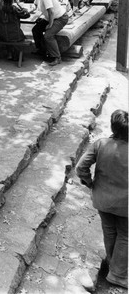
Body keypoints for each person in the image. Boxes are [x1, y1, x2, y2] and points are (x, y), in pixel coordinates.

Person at [76, 110, 128, 289]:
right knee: (125, 235)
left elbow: (81, 167)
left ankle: (113, 267)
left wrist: (90, 183)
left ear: (113, 126)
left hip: (102, 200)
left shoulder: (100, 144)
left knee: (109, 230)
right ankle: (118, 275)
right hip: (125, 205)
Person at [31, 0, 68, 66]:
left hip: (60, 18)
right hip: (51, 17)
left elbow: (51, 12)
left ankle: (57, 57)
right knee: (36, 29)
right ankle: (41, 50)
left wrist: (50, 24)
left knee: (48, 35)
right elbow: (39, 8)